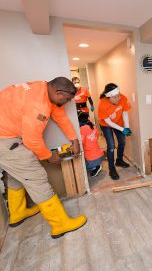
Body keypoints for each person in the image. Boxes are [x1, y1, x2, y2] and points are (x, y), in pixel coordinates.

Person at [0, 77, 87, 238]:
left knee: (16, 176)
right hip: (5, 141)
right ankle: (60, 224)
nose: (67, 102)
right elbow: (32, 140)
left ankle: (18, 213)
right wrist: (49, 156)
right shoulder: (38, 105)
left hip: (5, 136)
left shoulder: (43, 88)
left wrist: (74, 140)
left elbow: (60, 117)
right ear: (58, 92)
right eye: (66, 99)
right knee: (36, 177)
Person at [98, 83, 132, 180]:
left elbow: (125, 114)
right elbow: (108, 122)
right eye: (114, 97)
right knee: (111, 145)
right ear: (108, 97)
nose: (117, 98)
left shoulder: (123, 98)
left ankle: (119, 160)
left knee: (122, 142)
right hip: (106, 125)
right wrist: (122, 129)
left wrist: (127, 127)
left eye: (118, 95)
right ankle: (111, 169)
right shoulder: (102, 104)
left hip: (119, 122)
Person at [78, 112, 104, 177]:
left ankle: (95, 167)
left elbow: (81, 142)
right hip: (99, 156)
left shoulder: (82, 128)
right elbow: (97, 135)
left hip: (92, 159)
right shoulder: (92, 125)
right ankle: (95, 165)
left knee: (81, 166)